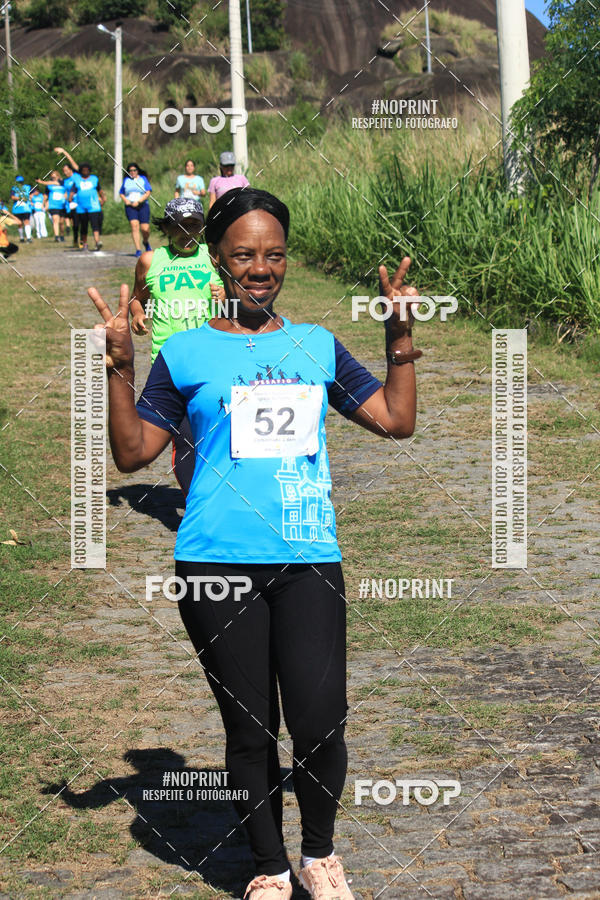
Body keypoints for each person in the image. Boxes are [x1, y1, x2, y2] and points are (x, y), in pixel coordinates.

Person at [89, 187, 421, 899]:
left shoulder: (315, 346)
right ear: (217, 261)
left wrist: (399, 337)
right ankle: (269, 871)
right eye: (244, 254)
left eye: (273, 254)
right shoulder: (183, 354)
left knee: (321, 723)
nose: (260, 268)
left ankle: (321, 856)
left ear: (285, 261)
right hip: (214, 563)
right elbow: (131, 454)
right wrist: (117, 364)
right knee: (250, 733)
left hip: (308, 559)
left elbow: (395, 420)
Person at [128, 197, 224, 496]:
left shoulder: (215, 256)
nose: (187, 233)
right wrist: (138, 315)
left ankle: (221, 495)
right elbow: (136, 299)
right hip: (169, 362)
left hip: (212, 357)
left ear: (203, 228)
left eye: (194, 226)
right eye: (180, 227)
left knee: (217, 433)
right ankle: (196, 502)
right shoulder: (150, 260)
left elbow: (247, 301)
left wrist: (226, 297)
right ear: (168, 229)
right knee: (183, 437)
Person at [69, 162, 105, 251]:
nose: (85, 172)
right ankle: (84, 243)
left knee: (95, 225)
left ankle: (97, 242)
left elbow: (99, 190)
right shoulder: (77, 180)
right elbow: (72, 192)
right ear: (81, 171)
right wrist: (70, 200)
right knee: (83, 226)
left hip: (93, 206)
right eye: (83, 170)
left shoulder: (94, 179)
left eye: (87, 170)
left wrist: (103, 198)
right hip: (81, 207)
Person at [119, 162, 152, 257]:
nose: (132, 172)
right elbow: (121, 192)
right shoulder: (126, 180)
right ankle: (138, 249)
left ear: (137, 171)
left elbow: (148, 192)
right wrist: (126, 200)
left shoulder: (143, 179)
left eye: (134, 170)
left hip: (142, 205)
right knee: (134, 225)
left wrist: (139, 201)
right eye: (130, 171)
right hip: (130, 206)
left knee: (145, 228)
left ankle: (145, 241)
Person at [55, 147, 82, 247]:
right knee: (75, 224)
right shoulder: (65, 181)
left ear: (70, 170)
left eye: (66, 170)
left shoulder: (77, 175)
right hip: (72, 204)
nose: (65, 172)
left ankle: (83, 241)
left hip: (82, 202)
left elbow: (72, 161)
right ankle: (75, 239)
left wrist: (64, 152)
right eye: (63, 171)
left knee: (82, 223)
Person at [36, 171, 67, 242]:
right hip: (53, 205)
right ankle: (56, 236)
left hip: (62, 205)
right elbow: (45, 195)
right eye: (52, 177)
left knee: (61, 222)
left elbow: (65, 193)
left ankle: (62, 235)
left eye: (55, 176)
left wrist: (41, 182)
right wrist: (43, 204)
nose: (53, 178)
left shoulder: (62, 183)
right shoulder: (49, 186)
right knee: (55, 220)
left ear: (58, 176)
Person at [10, 176, 33, 243]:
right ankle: (22, 238)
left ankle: (28, 238)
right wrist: (21, 198)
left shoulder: (27, 187)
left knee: (26, 222)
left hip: (26, 208)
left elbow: (31, 195)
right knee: (19, 223)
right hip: (17, 209)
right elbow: (12, 197)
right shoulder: (14, 188)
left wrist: (29, 199)